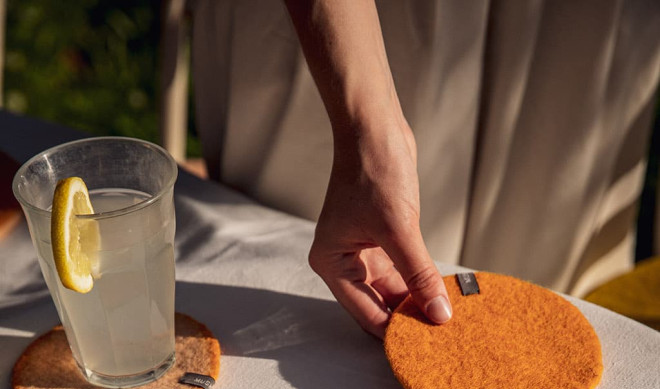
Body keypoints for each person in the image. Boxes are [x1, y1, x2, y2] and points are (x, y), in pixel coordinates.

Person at [190, 0, 660, 337]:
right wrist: (366, 127)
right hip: (345, 21)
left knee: (543, 258)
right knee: (303, 279)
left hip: (585, 22)